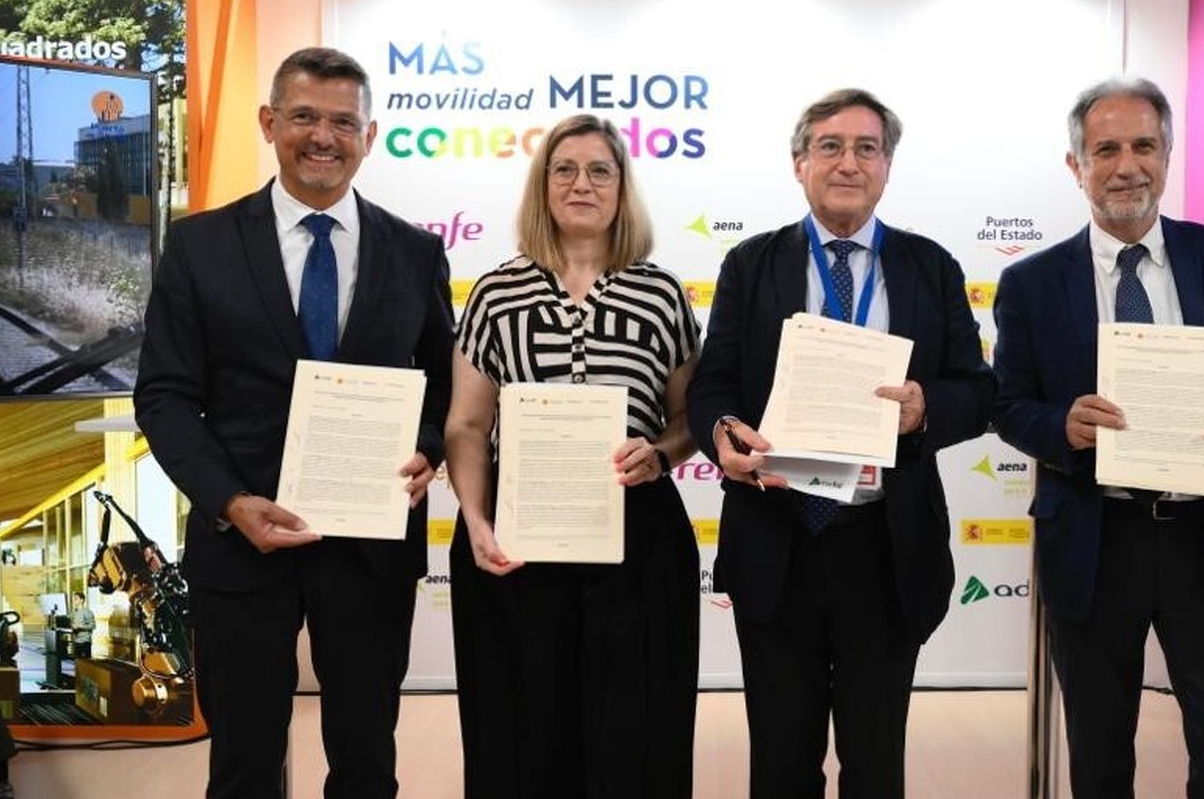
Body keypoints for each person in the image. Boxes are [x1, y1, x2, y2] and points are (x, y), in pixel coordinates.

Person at [134, 46, 454, 799]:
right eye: (305, 116)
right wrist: (226, 502)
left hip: (370, 547)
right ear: (269, 122)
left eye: (344, 121)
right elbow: (165, 396)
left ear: (369, 136)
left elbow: (446, 386)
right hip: (240, 543)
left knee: (367, 760)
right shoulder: (200, 245)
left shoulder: (415, 252)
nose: (324, 136)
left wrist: (429, 448)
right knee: (243, 763)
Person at [990, 76, 1204, 799]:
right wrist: (1061, 426)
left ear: (1167, 154)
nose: (1127, 166)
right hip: (1096, 542)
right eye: (1106, 150)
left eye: (1144, 146)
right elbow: (1005, 405)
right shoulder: (1031, 283)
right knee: (1099, 760)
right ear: (1077, 166)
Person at [686, 89, 992, 798]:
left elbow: (978, 391)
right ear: (799, 164)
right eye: (830, 146)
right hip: (777, 541)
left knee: (876, 766)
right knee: (781, 767)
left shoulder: (931, 267)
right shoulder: (750, 264)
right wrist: (722, 435)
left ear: (887, 166)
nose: (848, 162)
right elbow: (713, 386)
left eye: (866, 147)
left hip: (884, 548)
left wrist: (924, 410)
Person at [445, 114, 701, 798]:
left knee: (636, 729)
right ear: (543, 184)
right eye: (564, 169)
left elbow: (688, 419)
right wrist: (474, 517)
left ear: (622, 188)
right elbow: (467, 425)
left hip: (637, 536)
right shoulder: (495, 293)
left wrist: (662, 453)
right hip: (517, 536)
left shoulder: (662, 294)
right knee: (523, 727)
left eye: (599, 171)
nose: (581, 183)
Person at [70, 591, 94, 659]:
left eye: (76, 599)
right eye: (73, 599)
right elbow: (72, 623)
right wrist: (73, 626)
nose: (74, 601)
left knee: (86, 664)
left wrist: (81, 626)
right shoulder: (74, 612)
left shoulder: (87, 612)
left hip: (85, 641)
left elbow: (93, 625)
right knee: (77, 663)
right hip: (76, 641)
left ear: (82, 600)